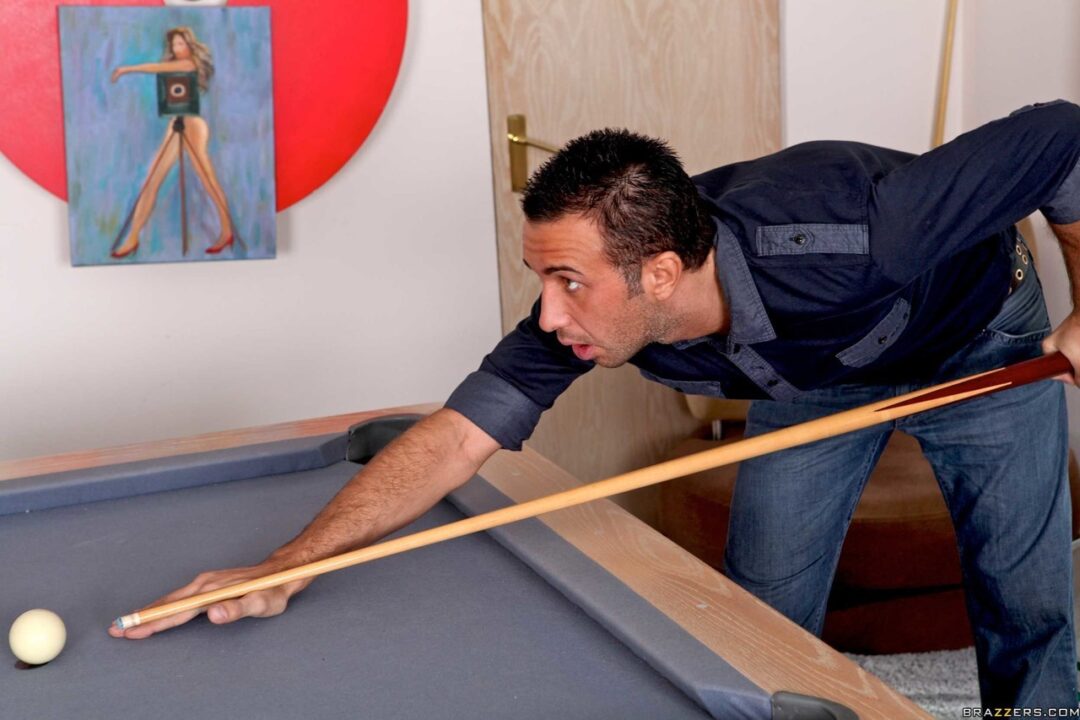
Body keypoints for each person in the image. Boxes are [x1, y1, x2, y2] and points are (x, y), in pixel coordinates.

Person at [110, 100, 1080, 709]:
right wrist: (287, 566)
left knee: (1023, 596)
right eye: (544, 280)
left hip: (980, 341)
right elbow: (455, 438)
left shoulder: (862, 231)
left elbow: (1062, 136)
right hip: (814, 381)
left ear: (659, 272)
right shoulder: (586, 312)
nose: (547, 313)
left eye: (569, 281)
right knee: (757, 611)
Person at [110, 26, 235, 258]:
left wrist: (128, 69)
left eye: (181, 44)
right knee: (152, 179)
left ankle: (227, 231)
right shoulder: (177, 63)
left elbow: (158, 68)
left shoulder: (189, 64)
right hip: (176, 123)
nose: (177, 48)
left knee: (207, 179)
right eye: (174, 45)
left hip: (193, 125)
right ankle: (133, 237)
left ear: (189, 45)